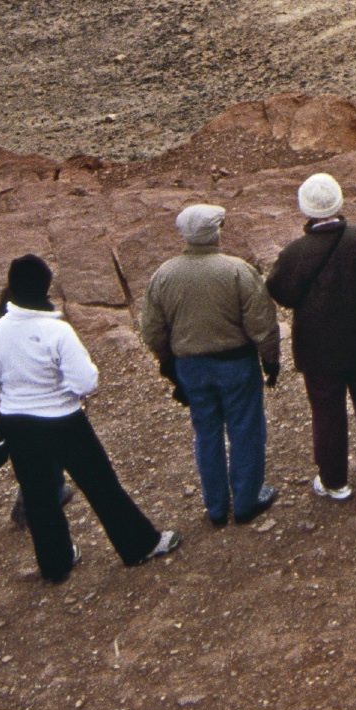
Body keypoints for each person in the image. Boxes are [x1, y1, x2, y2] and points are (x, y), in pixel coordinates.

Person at [0, 254, 177, 580]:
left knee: (38, 497)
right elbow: (86, 382)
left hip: (17, 423)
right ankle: (139, 546)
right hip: (64, 421)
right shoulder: (58, 331)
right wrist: (58, 389)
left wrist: (11, 387)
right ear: (45, 287)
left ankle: (56, 564)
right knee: (100, 485)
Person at [138, 203, 281, 527]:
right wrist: (270, 360)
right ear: (216, 232)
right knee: (245, 430)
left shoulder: (164, 275)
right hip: (236, 363)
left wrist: (167, 364)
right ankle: (246, 501)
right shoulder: (237, 270)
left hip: (190, 366)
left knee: (206, 434)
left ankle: (216, 508)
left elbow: (152, 330)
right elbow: (262, 323)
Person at [266, 173, 356, 501]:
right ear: (340, 201)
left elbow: (281, 292)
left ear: (305, 208)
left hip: (319, 347)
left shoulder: (294, 253)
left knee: (326, 411)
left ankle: (335, 480)